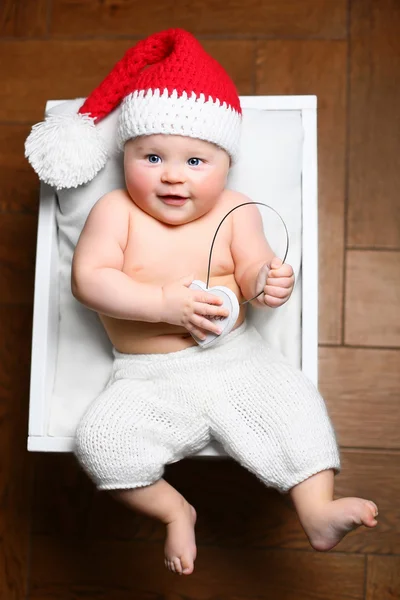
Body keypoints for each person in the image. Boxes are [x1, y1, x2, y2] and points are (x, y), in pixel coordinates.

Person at [25, 28, 378, 577]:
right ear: (125, 156)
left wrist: (268, 282)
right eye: (152, 156)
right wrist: (165, 304)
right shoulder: (115, 212)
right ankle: (174, 510)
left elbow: (253, 267)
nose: (171, 174)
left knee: (296, 406)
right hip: (145, 377)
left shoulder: (236, 211)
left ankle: (315, 509)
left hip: (235, 360)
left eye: (196, 162)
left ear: (227, 165)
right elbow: (89, 282)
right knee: (101, 443)